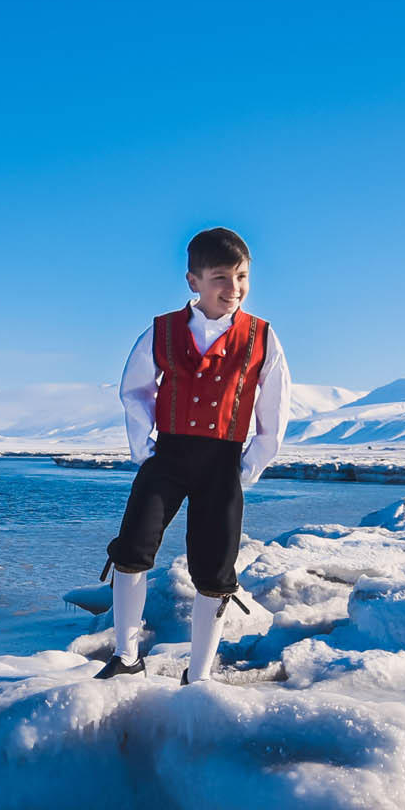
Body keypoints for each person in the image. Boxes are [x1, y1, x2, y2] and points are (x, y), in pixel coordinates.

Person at [97, 225, 291, 684]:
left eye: (242, 277)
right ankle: (127, 658)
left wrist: (250, 464)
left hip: (223, 464)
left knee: (215, 569)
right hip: (167, 457)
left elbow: (275, 406)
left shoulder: (263, 337)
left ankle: (198, 676)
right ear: (194, 282)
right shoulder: (162, 331)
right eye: (221, 277)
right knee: (131, 550)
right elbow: (136, 390)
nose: (234, 289)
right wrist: (144, 449)